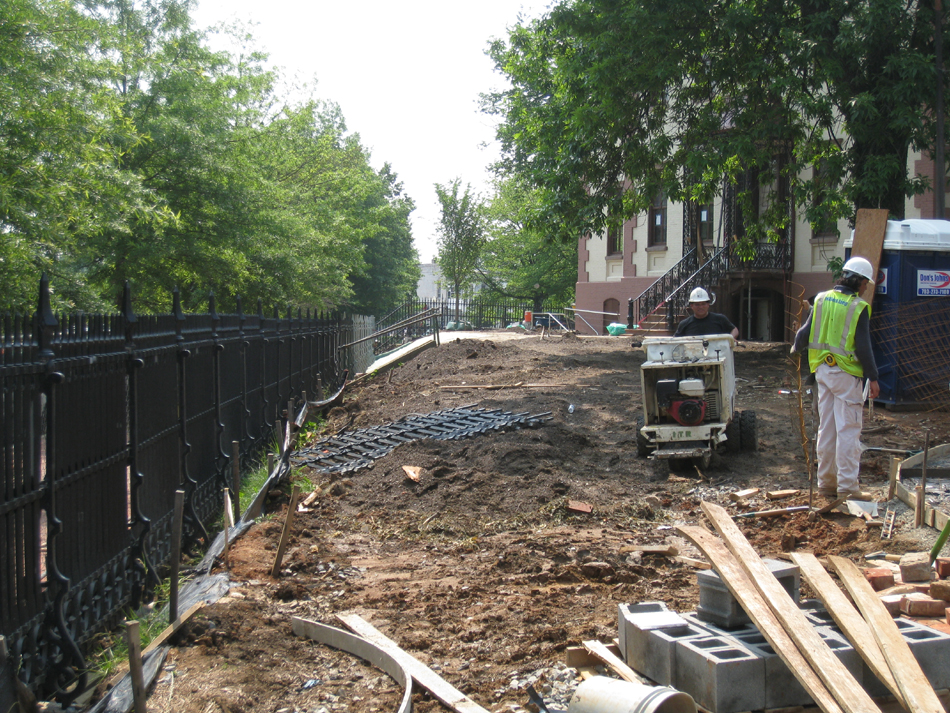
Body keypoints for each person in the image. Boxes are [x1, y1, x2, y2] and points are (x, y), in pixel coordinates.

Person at [793, 256, 879, 501]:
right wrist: (872, 376)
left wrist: (795, 349)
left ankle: (826, 484)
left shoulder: (820, 298)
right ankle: (848, 487)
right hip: (846, 375)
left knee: (827, 429)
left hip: (822, 371)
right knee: (849, 430)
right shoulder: (857, 306)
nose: (865, 288)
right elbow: (864, 346)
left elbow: (804, 333)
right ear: (858, 281)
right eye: (865, 283)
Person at [674, 287, 739, 339]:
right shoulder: (685, 324)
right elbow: (675, 341)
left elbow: (734, 330)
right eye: (697, 304)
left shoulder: (720, 319)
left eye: (703, 304)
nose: (701, 307)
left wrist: (731, 339)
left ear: (708, 304)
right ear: (692, 306)